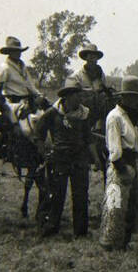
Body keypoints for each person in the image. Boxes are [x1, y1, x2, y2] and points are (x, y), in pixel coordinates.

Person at [34, 79, 99, 237]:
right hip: (59, 160)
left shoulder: (84, 114)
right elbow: (39, 134)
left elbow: (89, 139)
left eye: (81, 96)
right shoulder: (52, 113)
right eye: (77, 96)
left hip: (80, 160)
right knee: (56, 195)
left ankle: (80, 231)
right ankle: (50, 228)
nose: (80, 99)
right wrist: (43, 153)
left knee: (81, 196)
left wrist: (96, 159)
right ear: (67, 98)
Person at [101, 75, 138, 249]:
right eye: (134, 97)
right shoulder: (115, 117)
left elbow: (135, 142)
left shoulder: (129, 117)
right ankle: (110, 241)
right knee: (115, 205)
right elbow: (114, 146)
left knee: (131, 204)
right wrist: (121, 166)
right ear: (125, 97)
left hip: (131, 162)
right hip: (121, 164)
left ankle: (124, 240)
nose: (137, 100)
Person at [0, 36, 44, 122]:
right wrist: (1, 104)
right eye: (15, 51)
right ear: (9, 52)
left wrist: (39, 95)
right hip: (13, 104)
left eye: (19, 51)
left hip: (27, 102)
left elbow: (30, 85)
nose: (18, 53)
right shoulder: (5, 68)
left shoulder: (23, 67)